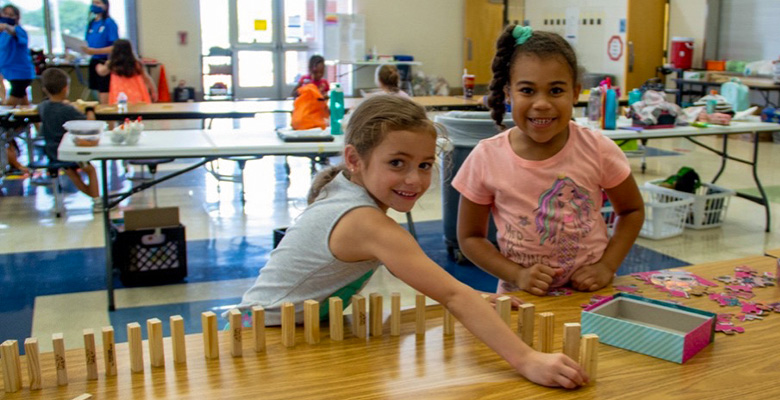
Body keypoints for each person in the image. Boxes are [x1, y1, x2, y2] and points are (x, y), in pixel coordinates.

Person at [235, 94, 587, 389]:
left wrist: (477, 299)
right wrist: (527, 359)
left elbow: (440, 286)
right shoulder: (364, 222)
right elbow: (451, 293)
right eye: (397, 163)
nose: (414, 179)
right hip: (261, 339)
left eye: (423, 164)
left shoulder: (348, 193)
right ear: (355, 160)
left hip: (300, 332)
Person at [453, 26, 644, 297]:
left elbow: (632, 210)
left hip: (590, 295)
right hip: (522, 298)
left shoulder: (597, 148)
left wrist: (606, 266)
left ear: (576, 93)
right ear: (508, 93)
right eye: (527, 90)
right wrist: (517, 275)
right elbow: (470, 238)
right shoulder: (486, 157)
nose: (541, 103)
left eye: (555, 90)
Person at [38, 68, 101, 211]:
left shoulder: (43, 106)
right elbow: (89, 125)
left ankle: (95, 197)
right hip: (71, 150)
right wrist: (90, 110)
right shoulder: (68, 110)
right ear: (66, 88)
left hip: (52, 151)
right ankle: (96, 200)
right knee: (90, 170)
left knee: (71, 171)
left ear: (45, 89)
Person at [96, 39, 157, 104]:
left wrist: (98, 66)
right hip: (136, 95)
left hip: (119, 96)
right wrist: (153, 91)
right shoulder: (136, 64)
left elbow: (101, 72)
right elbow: (147, 78)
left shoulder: (113, 64)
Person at [81, 0, 118, 105]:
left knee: (104, 92)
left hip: (104, 61)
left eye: (98, 3)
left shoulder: (109, 23)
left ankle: (108, 117)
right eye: (93, 3)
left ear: (105, 6)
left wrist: (96, 51)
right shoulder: (92, 23)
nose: (94, 5)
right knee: (95, 92)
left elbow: (115, 46)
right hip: (93, 60)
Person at [0, 4, 36, 106]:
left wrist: (6, 26)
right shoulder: (2, 34)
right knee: (25, 104)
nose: (7, 17)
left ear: (17, 17)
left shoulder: (19, 31)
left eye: (11, 15)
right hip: (9, 73)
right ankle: (37, 122)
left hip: (21, 75)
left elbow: (14, 32)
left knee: (9, 107)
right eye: (5, 14)